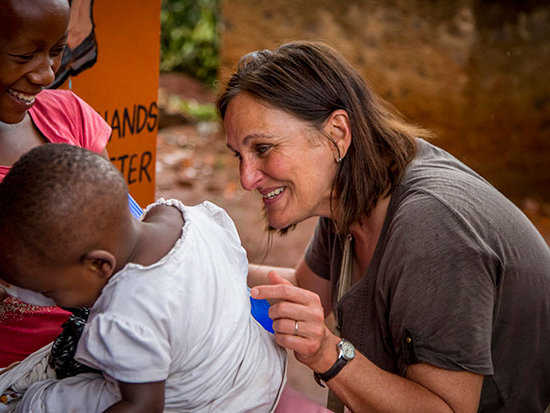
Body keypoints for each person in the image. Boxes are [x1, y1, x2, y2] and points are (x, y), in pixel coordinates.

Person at [218, 41, 550, 412]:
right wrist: (198, 259)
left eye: (263, 148)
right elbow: (300, 291)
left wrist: (329, 354)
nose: (246, 178)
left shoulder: (433, 229)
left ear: (337, 134)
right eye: (238, 155)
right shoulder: (348, 193)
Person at [0, 143, 287, 412]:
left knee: (50, 401)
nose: (49, 300)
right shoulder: (184, 215)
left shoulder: (123, 317)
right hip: (259, 371)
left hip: (211, 403)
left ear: (99, 265)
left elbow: (143, 406)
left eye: (48, 292)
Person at [0, 0, 127, 410]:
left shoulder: (68, 118)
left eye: (56, 51)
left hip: (94, 371)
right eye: (23, 56)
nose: (46, 74)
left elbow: (125, 243)